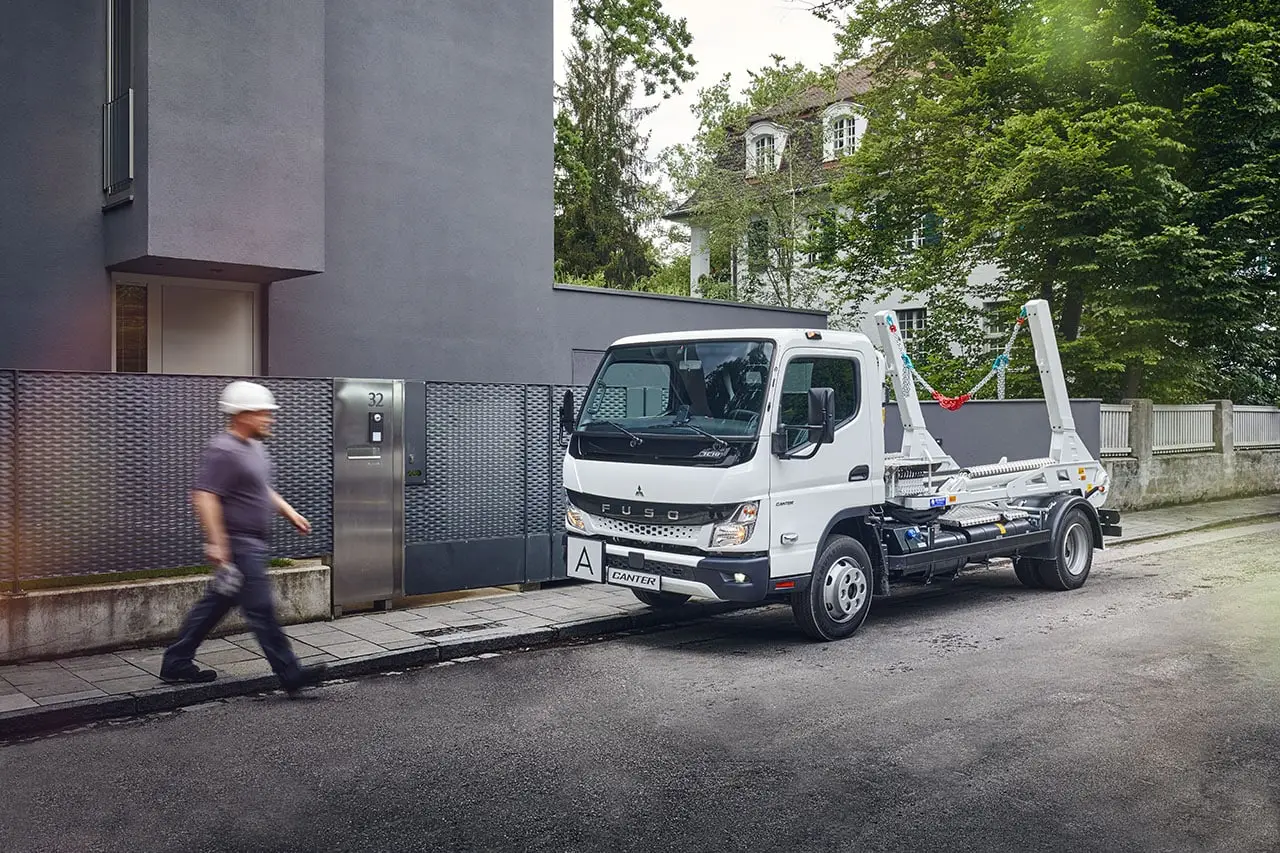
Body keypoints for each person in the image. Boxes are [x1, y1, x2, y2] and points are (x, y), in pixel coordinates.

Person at [160, 380, 327, 697]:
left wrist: (289, 512)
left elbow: (259, 488)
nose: (270, 418)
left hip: (253, 542)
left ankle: (176, 661)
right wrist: (216, 541)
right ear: (242, 414)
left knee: (214, 605)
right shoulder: (224, 450)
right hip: (239, 544)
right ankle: (291, 674)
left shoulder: (255, 448)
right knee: (261, 609)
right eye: (264, 413)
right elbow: (205, 495)